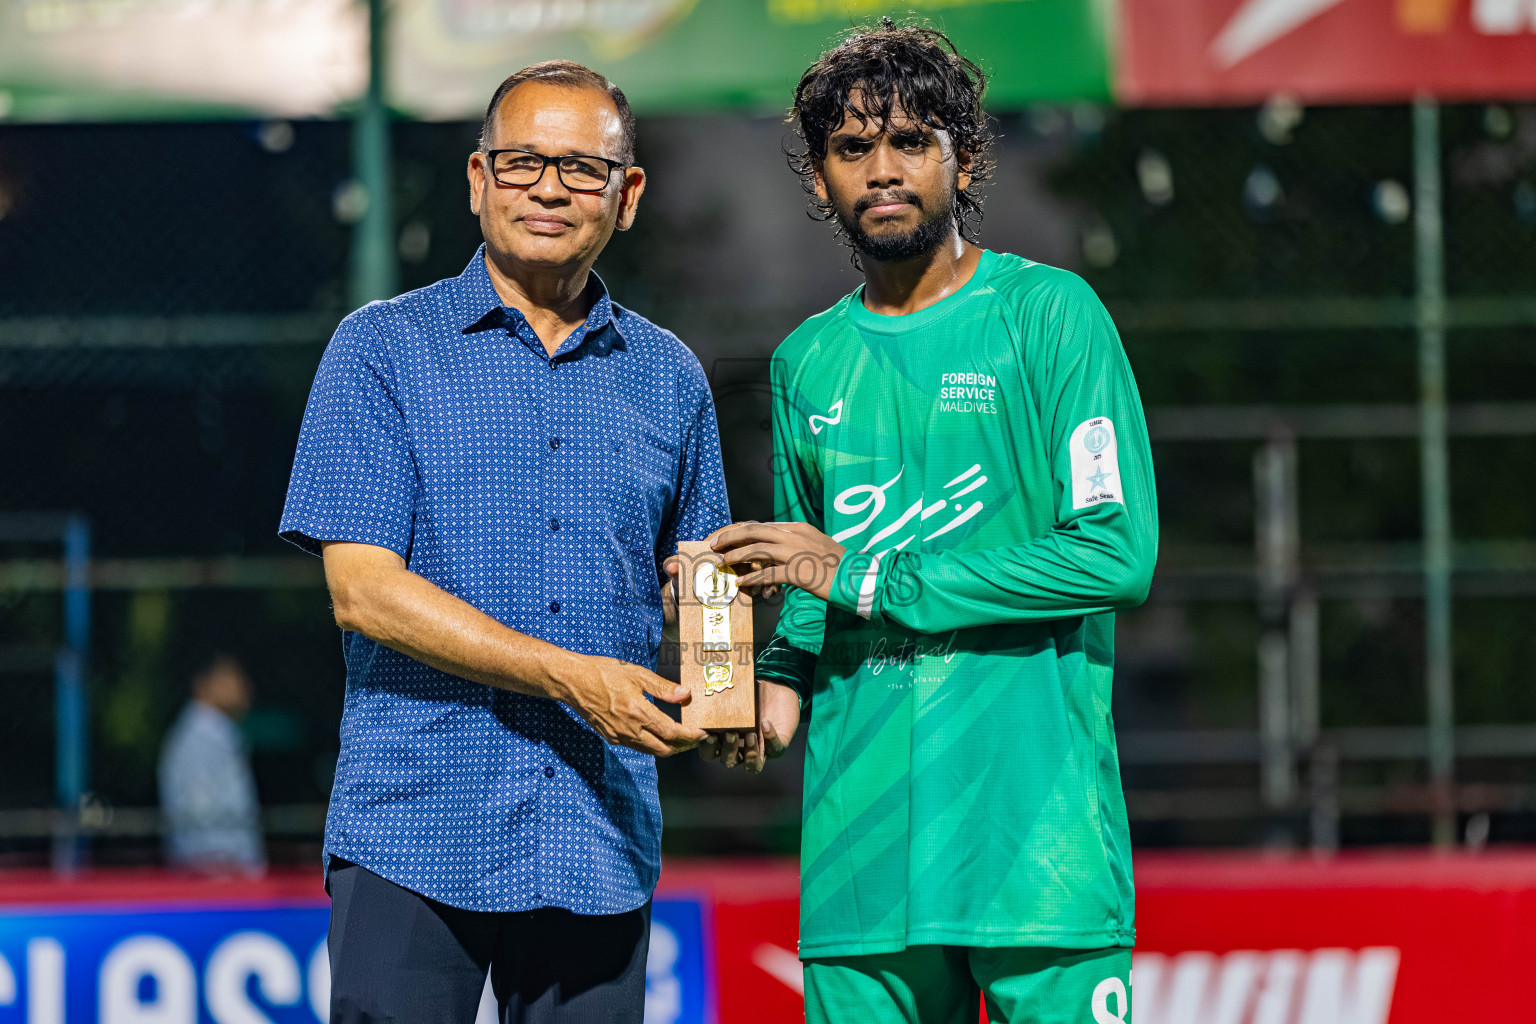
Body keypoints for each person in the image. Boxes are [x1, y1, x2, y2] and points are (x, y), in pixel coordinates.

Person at [706, 22, 1158, 1024]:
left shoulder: (1051, 316)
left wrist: (872, 578)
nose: (882, 170)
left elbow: (1116, 556)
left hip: (1036, 852)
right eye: (852, 148)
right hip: (862, 865)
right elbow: (812, 595)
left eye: (912, 141)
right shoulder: (804, 363)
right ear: (819, 178)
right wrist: (763, 695)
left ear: (966, 157)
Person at [278, 60, 724, 1024]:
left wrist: (735, 695)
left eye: (582, 168)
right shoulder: (381, 349)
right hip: (413, 827)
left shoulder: (672, 378)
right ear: (479, 179)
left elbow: (704, 586)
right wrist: (571, 677)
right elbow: (362, 592)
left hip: (596, 834)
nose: (549, 188)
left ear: (627, 196)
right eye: (523, 162)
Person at [158, 650, 265, 876]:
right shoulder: (197, 740)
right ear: (202, 683)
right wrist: (228, 869)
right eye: (231, 676)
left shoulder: (219, 735)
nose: (243, 685)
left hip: (228, 876)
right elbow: (200, 817)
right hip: (217, 879)